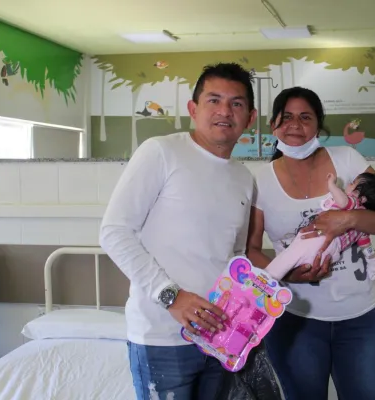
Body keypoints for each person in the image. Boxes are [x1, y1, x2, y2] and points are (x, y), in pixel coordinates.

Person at [99, 62, 257, 400]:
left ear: (250, 118)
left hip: (219, 338)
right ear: (193, 108)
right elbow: (114, 232)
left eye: (237, 103)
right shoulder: (161, 152)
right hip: (162, 338)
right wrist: (171, 296)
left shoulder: (244, 178)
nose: (225, 111)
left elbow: (235, 257)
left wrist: (250, 311)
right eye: (213, 100)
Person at [246, 86, 375, 400]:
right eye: (286, 117)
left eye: (305, 117)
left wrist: (347, 220)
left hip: (360, 319)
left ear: (318, 125)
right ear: (272, 123)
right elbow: (250, 250)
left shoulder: (347, 160)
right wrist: (288, 275)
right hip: (295, 318)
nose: (295, 125)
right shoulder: (260, 181)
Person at [264, 171, 375, 282]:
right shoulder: (364, 228)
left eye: (353, 183)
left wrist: (331, 184)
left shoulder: (354, 203)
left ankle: (266, 279)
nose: (349, 184)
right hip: (331, 253)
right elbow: (368, 251)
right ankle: (271, 277)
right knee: (294, 258)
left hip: (322, 241)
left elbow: (343, 202)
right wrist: (372, 268)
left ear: (362, 198)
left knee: (289, 257)